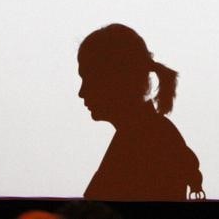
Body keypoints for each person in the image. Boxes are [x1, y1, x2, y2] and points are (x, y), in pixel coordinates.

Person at [77, 23, 204, 201]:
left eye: (89, 79)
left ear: (115, 80)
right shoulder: (152, 133)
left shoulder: (141, 140)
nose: (81, 92)